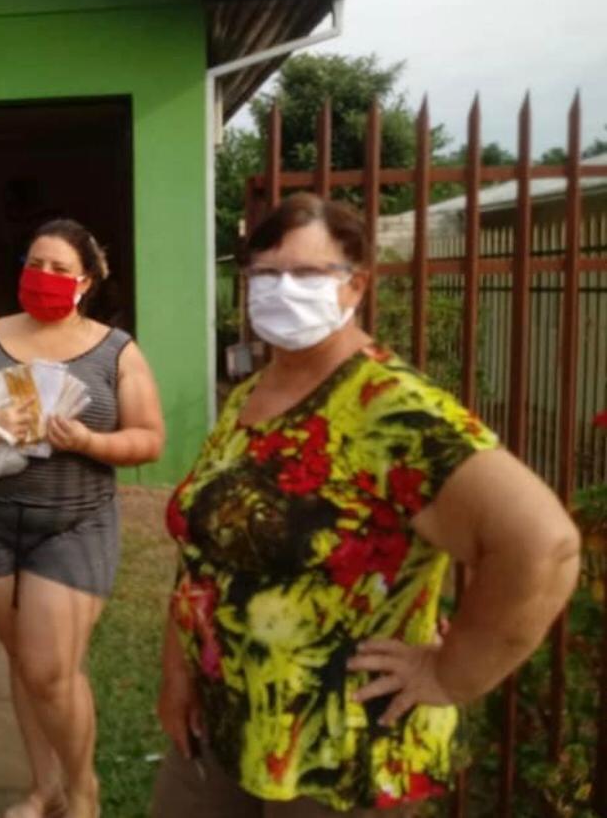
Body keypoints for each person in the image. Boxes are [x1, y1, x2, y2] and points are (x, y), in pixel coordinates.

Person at [152, 193, 581, 816]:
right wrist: (178, 673)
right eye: (265, 274)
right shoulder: (252, 394)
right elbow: (202, 552)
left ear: (355, 285)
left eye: (305, 273)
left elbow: (544, 545)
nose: (280, 289)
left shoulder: (392, 409)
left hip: (339, 751)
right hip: (223, 726)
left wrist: (451, 673)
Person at [0, 219, 165, 818]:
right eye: (34, 263)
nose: (42, 277)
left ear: (86, 281)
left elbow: (148, 439)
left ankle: (83, 791)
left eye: (57, 269)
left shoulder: (114, 348)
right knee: (23, 660)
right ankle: (42, 788)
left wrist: (88, 444)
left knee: (51, 668)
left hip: (76, 524)